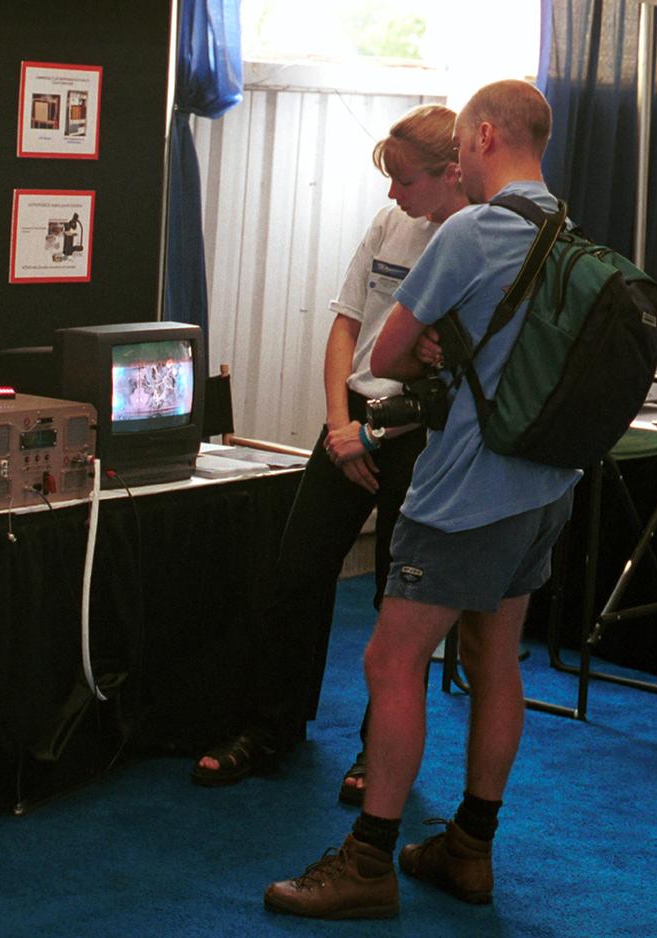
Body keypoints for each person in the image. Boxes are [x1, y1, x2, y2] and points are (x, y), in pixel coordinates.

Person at [263, 79, 581, 920]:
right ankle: (470, 849)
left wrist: (429, 346)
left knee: (389, 660)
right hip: (543, 487)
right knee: (494, 660)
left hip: (466, 487)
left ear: (480, 137)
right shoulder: (566, 232)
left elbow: (391, 354)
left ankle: (368, 858)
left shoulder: (473, 231)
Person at [190, 104, 469, 800]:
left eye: (404, 181)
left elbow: (450, 372)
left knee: (393, 600)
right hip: (350, 424)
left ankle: (380, 752)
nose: (392, 195)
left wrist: (374, 434)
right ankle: (271, 729)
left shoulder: (473, 240)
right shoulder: (389, 224)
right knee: (294, 576)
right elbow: (347, 325)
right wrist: (340, 424)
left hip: (416, 439)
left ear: (449, 174)